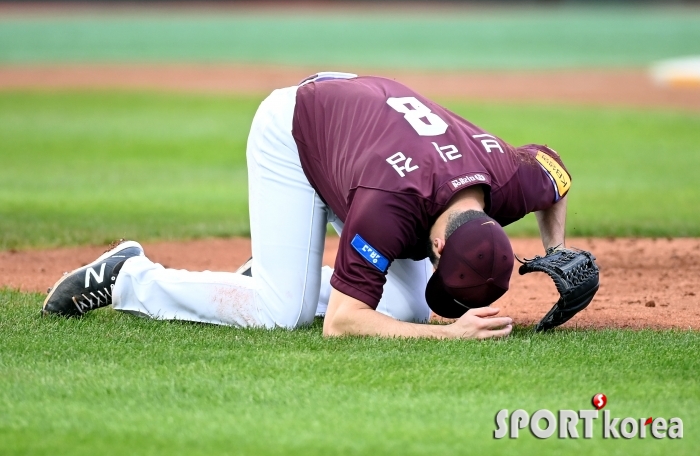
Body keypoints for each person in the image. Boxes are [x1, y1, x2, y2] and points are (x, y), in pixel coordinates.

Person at [43, 72, 573, 340]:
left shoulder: (507, 177)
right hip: (297, 130)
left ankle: (273, 270)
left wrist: (558, 250)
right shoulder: (389, 209)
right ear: (438, 245)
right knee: (282, 312)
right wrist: (451, 337)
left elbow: (555, 171)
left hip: (361, 121)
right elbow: (342, 323)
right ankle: (129, 276)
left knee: (409, 306)